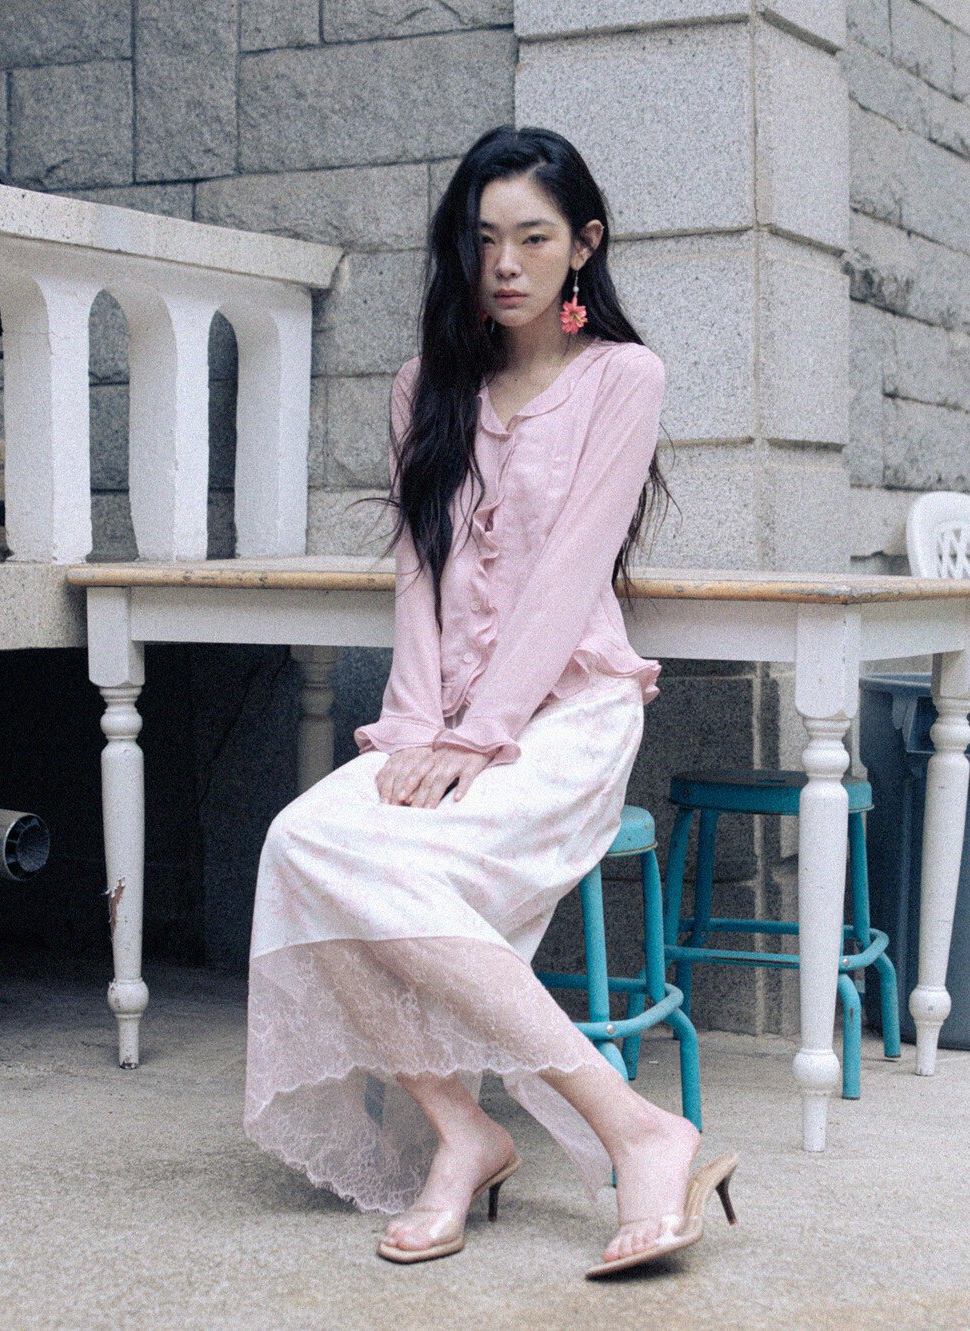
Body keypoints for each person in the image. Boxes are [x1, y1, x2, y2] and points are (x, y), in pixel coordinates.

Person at [244, 125, 737, 1278]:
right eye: (483, 239)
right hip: (447, 717)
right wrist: (418, 731)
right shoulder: (426, 386)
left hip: (567, 715)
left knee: (404, 873)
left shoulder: (623, 376)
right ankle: (469, 1126)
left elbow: (569, 574)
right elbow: (418, 576)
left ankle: (628, 1132)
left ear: (583, 247)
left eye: (533, 237)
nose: (505, 263)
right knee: (304, 839)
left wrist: (481, 734)